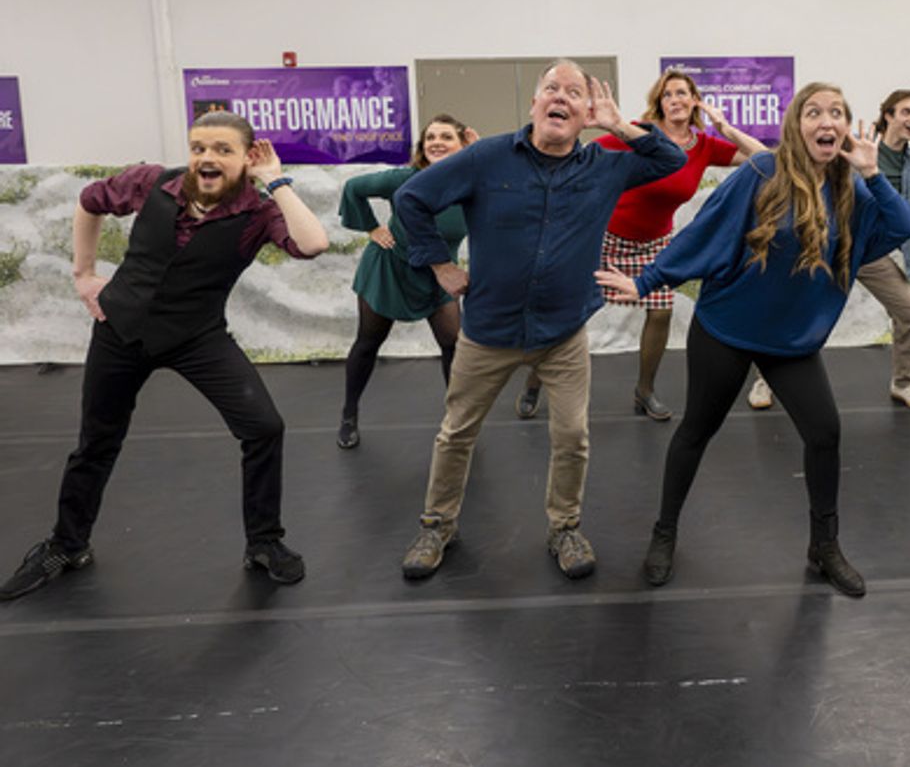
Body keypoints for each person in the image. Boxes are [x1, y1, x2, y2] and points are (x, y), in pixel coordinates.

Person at [598, 82, 910, 597]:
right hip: (727, 330)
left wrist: (872, 172)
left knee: (825, 433)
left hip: (791, 342)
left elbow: (900, 225)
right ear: (797, 124)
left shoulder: (849, 187)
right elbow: (704, 233)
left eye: (836, 112)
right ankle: (664, 533)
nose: (827, 120)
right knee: (696, 432)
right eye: (814, 111)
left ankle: (824, 546)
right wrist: (644, 281)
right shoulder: (761, 173)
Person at [0, 112, 330, 601]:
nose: (207, 158)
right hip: (121, 330)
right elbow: (89, 201)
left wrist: (274, 179)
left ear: (247, 156)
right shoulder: (152, 182)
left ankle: (264, 542)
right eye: (199, 148)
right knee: (96, 442)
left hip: (197, 336)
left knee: (264, 427)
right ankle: (67, 544)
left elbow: (313, 243)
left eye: (222, 149)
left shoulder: (259, 212)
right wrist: (84, 273)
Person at [394, 60, 685, 581]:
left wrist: (620, 126)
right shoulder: (485, 157)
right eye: (552, 88)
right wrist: (438, 263)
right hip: (488, 332)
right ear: (533, 105)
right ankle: (437, 525)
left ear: (584, 113)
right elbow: (411, 198)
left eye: (575, 93)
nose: (562, 98)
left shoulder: (606, 163)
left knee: (572, 435)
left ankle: (564, 528)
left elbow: (671, 158)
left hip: (563, 334)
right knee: (456, 433)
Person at [513, 70, 766, 423]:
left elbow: (766, 159)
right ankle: (534, 381)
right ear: (659, 103)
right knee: (571, 312)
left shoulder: (705, 146)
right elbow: (587, 152)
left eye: (683, 93)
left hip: (656, 242)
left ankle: (644, 391)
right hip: (606, 237)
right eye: (668, 95)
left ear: (695, 100)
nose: (676, 100)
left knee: (660, 312)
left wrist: (724, 128)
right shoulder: (640, 135)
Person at [746, 87, 910, 412]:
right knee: (789, 304)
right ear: (888, 116)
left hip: (878, 254)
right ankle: (766, 378)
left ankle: (904, 382)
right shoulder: (854, 150)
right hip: (834, 245)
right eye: (906, 111)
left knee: (908, 311)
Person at [335, 114, 479, 449]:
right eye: (430, 138)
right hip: (389, 270)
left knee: (453, 344)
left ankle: (457, 418)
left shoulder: (472, 184)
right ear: (422, 147)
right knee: (368, 342)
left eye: (446, 136)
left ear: (462, 144)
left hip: (440, 275)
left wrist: (480, 154)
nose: (437, 142)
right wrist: (371, 228)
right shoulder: (404, 179)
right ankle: (349, 412)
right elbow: (354, 189)